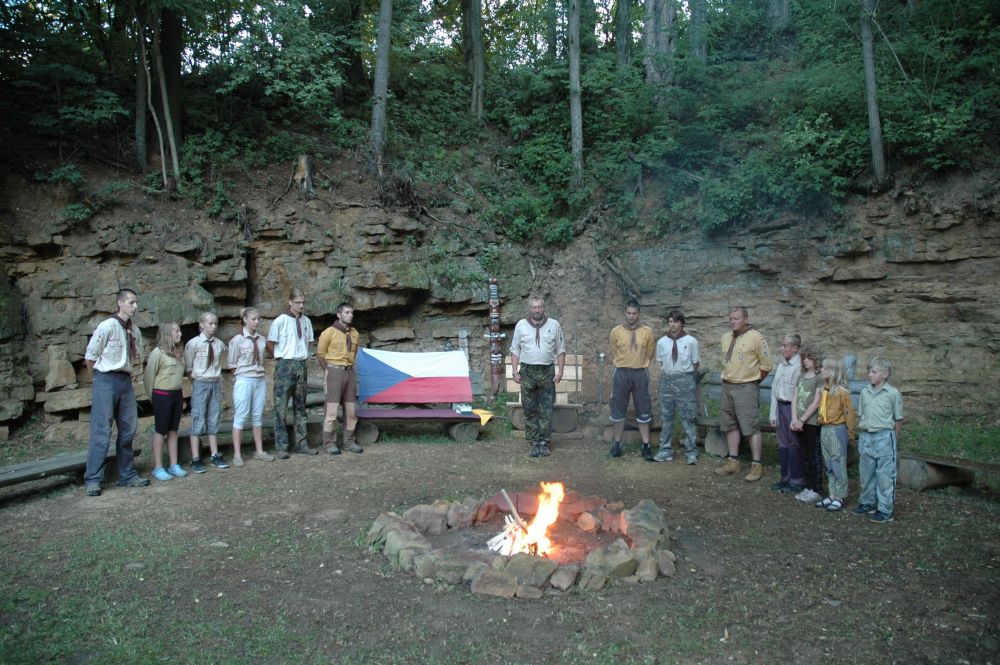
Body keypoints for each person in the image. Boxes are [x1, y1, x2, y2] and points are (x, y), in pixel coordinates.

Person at [82, 288, 149, 496]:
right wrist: (97, 381)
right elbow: (90, 357)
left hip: (125, 381)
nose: (135, 306)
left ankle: (127, 475)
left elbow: (135, 357)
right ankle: (93, 479)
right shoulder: (107, 326)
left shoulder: (134, 331)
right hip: (105, 380)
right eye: (131, 302)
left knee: (128, 429)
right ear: (120, 303)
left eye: (136, 303)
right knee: (101, 430)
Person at [714, 306, 773, 482]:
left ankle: (756, 465)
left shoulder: (756, 337)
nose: (733, 321)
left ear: (745, 319)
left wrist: (751, 382)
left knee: (751, 426)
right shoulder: (726, 337)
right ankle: (733, 461)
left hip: (746, 387)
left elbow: (766, 366)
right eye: (731, 318)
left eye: (737, 318)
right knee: (730, 424)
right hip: (728, 386)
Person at [509, 296, 566, 457]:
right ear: (530, 309)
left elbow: (561, 349)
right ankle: (533, 442)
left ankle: (544, 442)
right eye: (534, 307)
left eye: (540, 307)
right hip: (527, 372)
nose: (537, 310)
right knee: (530, 408)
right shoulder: (521, 325)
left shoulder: (554, 325)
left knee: (546, 409)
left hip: (547, 371)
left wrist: (560, 371)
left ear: (544, 308)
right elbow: (515, 349)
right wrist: (514, 371)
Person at [853, 357, 904, 523]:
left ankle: (885, 509)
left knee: (885, 475)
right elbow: (862, 414)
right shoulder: (865, 392)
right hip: (866, 436)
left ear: (885, 374)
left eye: (873, 372)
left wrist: (893, 441)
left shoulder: (893, 394)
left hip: (884, 436)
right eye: (869, 371)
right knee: (866, 473)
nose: (870, 374)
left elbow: (898, 420)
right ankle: (867, 502)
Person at [267, 288, 316, 458]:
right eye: (297, 302)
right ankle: (281, 446)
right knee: (281, 407)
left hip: (301, 364)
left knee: (300, 406)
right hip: (285, 365)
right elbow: (270, 342)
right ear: (290, 302)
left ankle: (301, 443)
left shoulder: (306, 321)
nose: (301, 306)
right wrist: (280, 358)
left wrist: (303, 358)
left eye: (303, 302)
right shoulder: (280, 321)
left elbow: (309, 342)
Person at [608, 299, 656, 460]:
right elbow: (614, 351)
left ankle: (646, 446)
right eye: (628, 313)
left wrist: (639, 363)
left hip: (640, 373)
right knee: (618, 408)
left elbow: (650, 353)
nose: (631, 316)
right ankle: (617, 445)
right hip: (621, 373)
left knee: (643, 408)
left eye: (634, 313)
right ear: (625, 313)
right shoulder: (616, 331)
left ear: (639, 314)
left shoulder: (647, 332)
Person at [228, 307, 274, 467]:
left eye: (258, 319)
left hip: (259, 379)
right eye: (253, 319)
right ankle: (237, 455)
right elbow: (232, 364)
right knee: (240, 416)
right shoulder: (237, 340)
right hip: (244, 379)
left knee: (257, 415)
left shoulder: (261, 339)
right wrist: (241, 377)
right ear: (245, 320)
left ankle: (259, 451)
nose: (257, 322)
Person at [184, 312, 229, 472]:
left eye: (215, 323)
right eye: (210, 323)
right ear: (202, 325)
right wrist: (197, 384)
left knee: (213, 419)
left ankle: (214, 454)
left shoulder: (219, 344)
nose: (214, 326)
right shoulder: (193, 344)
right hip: (200, 383)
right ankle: (195, 458)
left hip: (214, 383)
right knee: (198, 418)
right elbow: (189, 369)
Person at [654, 309, 700, 464]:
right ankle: (665, 450)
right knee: (666, 417)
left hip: (684, 380)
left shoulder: (691, 341)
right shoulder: (662, 342)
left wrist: (686, 378)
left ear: (682, 323)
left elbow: (695, 363)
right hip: (667, 381)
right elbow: (661, 362)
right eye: (670, 321)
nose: (673, 324)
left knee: (687, 417)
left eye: (676, 321)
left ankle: (691, 452)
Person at [143, 322, 187, 481]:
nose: (180, 334)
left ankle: (174, 465)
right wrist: (153, 397)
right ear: (168, 334)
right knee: (160, 430)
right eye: (176, 331)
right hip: (162, 395)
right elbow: (148, 377)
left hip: (176, 394)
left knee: (173, 429)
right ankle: (158, 467)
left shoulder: (178, 353)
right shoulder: (158, 353)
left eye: (180, 331)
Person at [317, 302, 362, 454]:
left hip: (349, 372)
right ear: (339, 314)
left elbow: (354, 352)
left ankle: (349, 441)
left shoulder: (354, 333)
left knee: (350, 410)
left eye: (352, 313)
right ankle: (329, 443)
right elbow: (321, 354)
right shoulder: (329, 332)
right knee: (331, 409)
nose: (350, 315)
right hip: (334, 371)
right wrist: (329, 371)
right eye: (347, 312)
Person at [815, 357, 856, 512]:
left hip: (836, 430)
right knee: (829, 464)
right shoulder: (824, 390)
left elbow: (849, 414)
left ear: (833, 372)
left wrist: (850, 433)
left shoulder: (842, 393)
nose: (822, 370)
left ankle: (840, 496)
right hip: (825, 429)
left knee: (838, 463)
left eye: (825, 368)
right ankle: (832, 494)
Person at [769, 334, 803, 493]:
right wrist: (773, 413)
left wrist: (795, 416)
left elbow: (797, 393)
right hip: (781, 407)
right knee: (782, 443)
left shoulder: (799, 366)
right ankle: (784, 478)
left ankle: (796, 480)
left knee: (794, 443)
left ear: (794, 348)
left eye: (785, 345)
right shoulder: (782, 365)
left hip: (792, 408)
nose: (782, 348)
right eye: (782, 345)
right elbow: (775, 389)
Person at [790, 345, 824, 504]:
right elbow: (795, 398)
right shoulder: (801, 377)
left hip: (811, 423)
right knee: (803, 455)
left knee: (813, 456)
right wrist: (794, 419)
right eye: (804, 358)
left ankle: (816, 489)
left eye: (809, 358)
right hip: (798, 422)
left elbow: (816, 402)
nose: (805, 361)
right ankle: (808, 486)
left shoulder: (819, 378)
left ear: (816, 359)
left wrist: (802, 420)